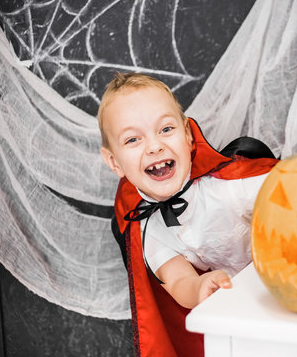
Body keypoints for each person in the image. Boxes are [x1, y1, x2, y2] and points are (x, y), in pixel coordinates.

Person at [98, 72, 278, 357]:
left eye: (165, 129)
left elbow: (291, 192)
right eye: (133, 139)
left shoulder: (226, 186)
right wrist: (198, 286)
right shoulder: (148, 230)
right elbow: (177, 280)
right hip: (240, 310)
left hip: (288, 286)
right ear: (114, 162)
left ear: (189, 137)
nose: (154, 146)